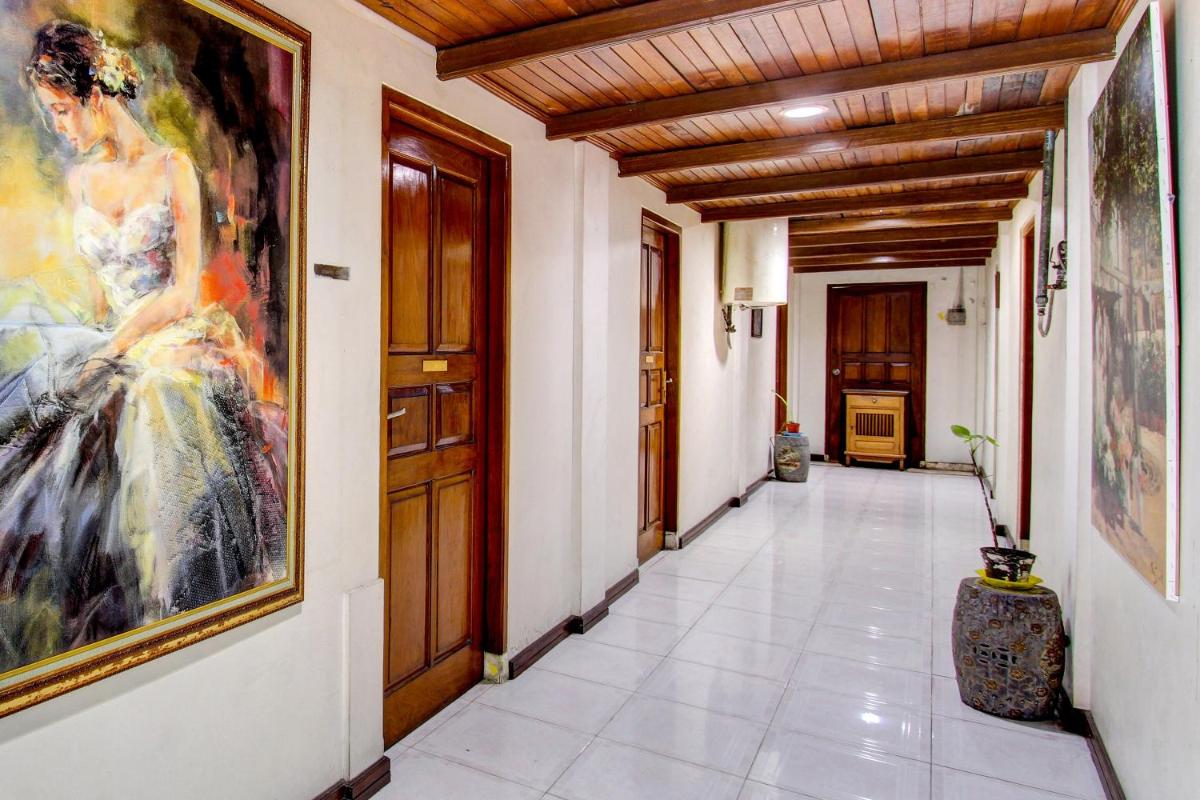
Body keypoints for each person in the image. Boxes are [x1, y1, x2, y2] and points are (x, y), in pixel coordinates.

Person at [0, 21, 286, 674]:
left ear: (95, 94)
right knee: (52, 410)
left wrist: (116, 349)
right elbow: (99, 305)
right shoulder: (80, 181)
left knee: (154, 404)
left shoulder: (171, 167)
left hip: (167, 337)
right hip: (113, 337)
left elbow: (182, 292)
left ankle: (166, 613)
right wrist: (95, 351)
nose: (58, 128)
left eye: (63, 110)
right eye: (50, 114)